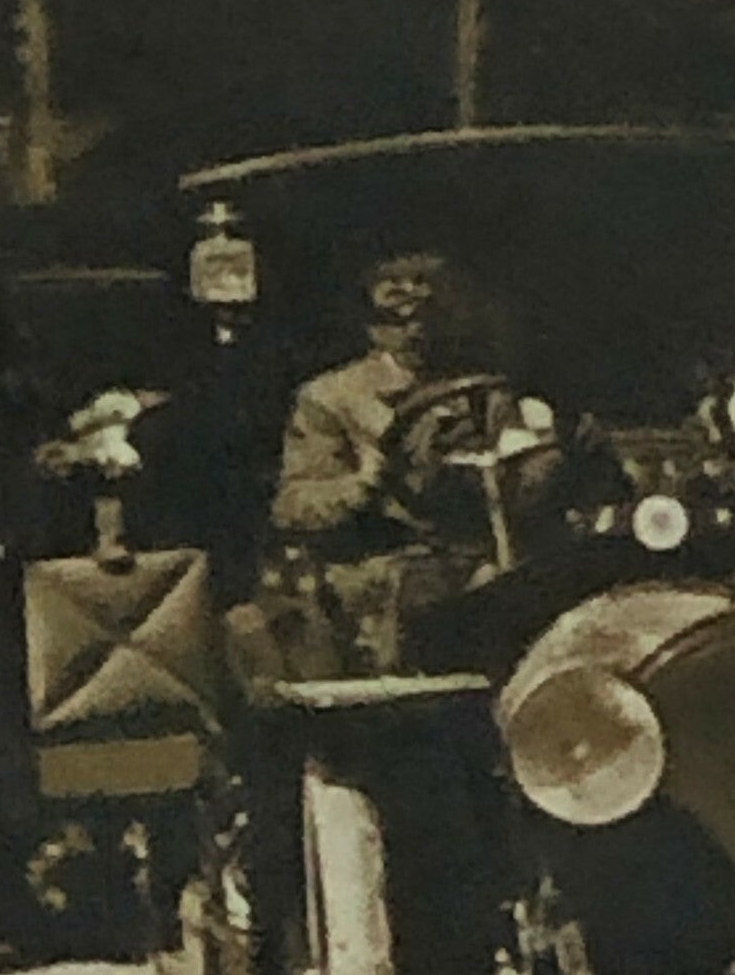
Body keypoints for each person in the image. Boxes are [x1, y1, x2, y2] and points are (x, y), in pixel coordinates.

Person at [233, 253, 562, 681]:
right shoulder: (330, 398)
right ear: (372, 327)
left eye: (428, 317)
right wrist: (366, 480)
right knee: (433, 591)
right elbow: (293, 506)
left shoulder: (486, 392)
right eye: (398, 320)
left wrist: (545, 455)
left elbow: (516, 493)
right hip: (380, 566)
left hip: (481, 555)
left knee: (539, 580)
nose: (416, 331)